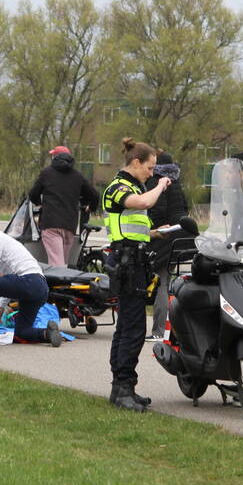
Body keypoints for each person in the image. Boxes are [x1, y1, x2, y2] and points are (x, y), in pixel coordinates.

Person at [102, 138, 172, 412]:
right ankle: (122, 388)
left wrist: (155, 233)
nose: (151, 173)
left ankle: (123, 387)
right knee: (132, 328)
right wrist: (161, 186)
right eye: (149, 168)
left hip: (135, 261)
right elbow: (142, 203)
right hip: (126, 264)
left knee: (128, 327)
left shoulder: (131, 187)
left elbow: (131, 228)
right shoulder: (118, 187)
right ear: (135, 162)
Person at [0, 230, 62, 346]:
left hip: (28, 281)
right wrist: (1, 308)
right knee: (21, 333)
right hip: (41, 287)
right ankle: (47, 333)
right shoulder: (7, 241)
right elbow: (9, 284)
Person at [28, 146, 99, 267]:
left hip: (51, 224)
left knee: (57, 265)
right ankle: (63, 279)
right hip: (69, 226)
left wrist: (39, 203)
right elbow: (95, 195)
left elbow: (33, 194)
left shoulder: (47, 173)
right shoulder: (77, 176)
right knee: (63, 263)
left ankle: (57, 279)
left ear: (55, 157)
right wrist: (91, 208)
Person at [145, 152, 189, 341]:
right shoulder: (176, 182)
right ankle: (171, 330)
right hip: (181, 237)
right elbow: (184, 208)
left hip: (165, 237)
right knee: (167, 283)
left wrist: (151, 229)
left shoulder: (157, 182)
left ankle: (159, 331)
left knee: (161, 284)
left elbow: (157, 210)